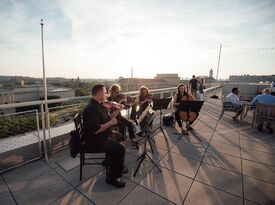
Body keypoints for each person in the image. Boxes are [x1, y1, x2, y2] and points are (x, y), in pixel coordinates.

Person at [82, 84, 126, 188]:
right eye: (105, 92)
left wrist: (118, 110)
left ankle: (111, 161)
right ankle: (112, 178)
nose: (107, 94)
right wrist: (111, 124)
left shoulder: (99, 105)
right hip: (95, 141)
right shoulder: (91, 109)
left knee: (119, 136)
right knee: (121, 149)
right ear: (99, 93)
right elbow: (96, 130)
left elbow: (108, 118)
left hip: (103, 136)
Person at [108, 84, 139, 149]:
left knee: (129, 124)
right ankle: (120, 142)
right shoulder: (109, 99)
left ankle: (132, 139)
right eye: (117, 92)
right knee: (122, 127)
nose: (118, 94)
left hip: (119, 116)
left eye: (119, 92)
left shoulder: (118, 98)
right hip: (112, 117)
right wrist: (116, 104)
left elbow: (125, 106)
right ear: (112, 91)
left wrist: (131, 104)